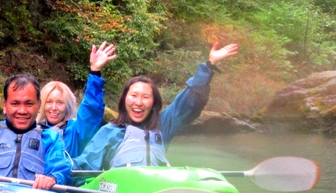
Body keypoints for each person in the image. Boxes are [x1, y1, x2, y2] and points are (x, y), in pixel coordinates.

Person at [72, 42, 239, 171]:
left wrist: (209, 65)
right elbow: (85, 164)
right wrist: (56, 176)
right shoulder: (110, 131)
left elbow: (189, 101)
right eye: (134, 96)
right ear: (124, 101)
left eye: (146, 97)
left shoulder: (163, 125)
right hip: (120, 191)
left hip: (155, 191)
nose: (138, 102)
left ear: (153, 103)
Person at [37, 41, 117, 159]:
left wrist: (95, 72)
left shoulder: (76, 130)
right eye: (49, 102)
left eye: (60, 102)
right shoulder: (33, 130)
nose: (54, 108)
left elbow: (91, 109)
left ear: (67, 105)